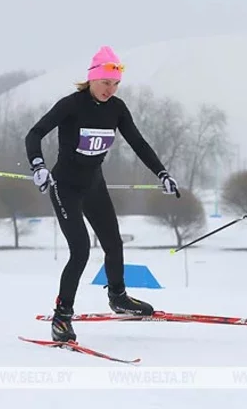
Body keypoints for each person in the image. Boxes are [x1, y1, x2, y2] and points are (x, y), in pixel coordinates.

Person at [25, 46, 181, 342]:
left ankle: (118, 297)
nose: (110, 89)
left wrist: (162, 173)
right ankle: (62, 317)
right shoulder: (71, 105)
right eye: (105, 82)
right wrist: (38, 166)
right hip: (65, 187)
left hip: (94, 185)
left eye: (116, 83)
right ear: (92, 79)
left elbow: (138, 143)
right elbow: (34, 134)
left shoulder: (117, 109)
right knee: (80, 250)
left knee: (113, 243)